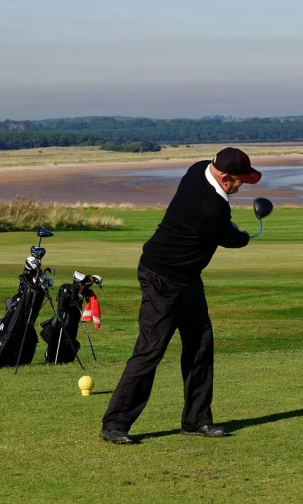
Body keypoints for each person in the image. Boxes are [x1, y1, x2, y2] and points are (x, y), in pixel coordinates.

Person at [100, 147, 262, 445]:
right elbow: (233, 240)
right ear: (225, 178)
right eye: (240, 181)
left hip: (187, 278)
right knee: (151, 350)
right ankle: (115, 423)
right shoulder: (212, 209)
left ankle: (196, 420)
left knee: (201, 345)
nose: (242, 186)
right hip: (162, 279)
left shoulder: (197, 168)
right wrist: (245, 234)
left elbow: (222, 227)